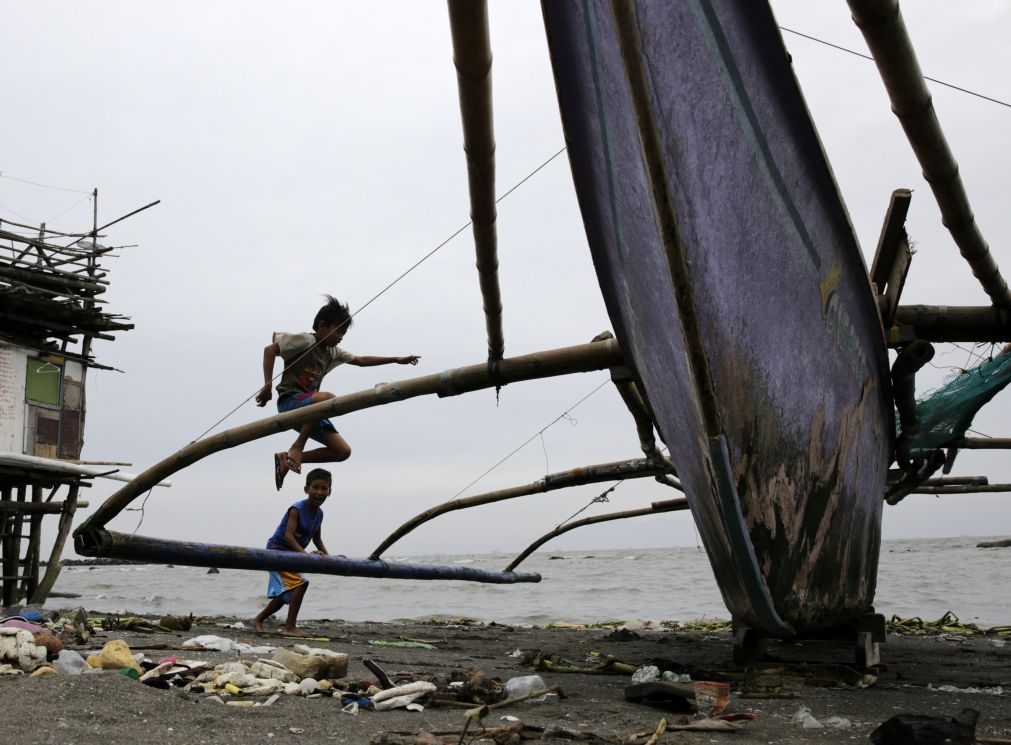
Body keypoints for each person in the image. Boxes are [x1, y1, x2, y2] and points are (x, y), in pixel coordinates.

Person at [256, 295, 420, 489]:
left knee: (342, 451)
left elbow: (361, 360)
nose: (341, 336)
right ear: (322, 326)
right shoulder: (306, 340)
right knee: (327, 399)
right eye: (338, 331)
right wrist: (267, 386)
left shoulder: (333, 352)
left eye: (344, 332)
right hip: (290, 402)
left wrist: (396, 359)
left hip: (313, 410)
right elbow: (270, 350)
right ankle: (298, 445)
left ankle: (287, 458)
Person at [252, 468, 333, 637]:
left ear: (329, 492)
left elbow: (316, 539)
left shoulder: (319, 514)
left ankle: (258, 619)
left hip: (294, 553)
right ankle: (290, 627)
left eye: (324, 488)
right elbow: (288, 536)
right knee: (301, 583)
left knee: (287, 592)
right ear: (306, 489)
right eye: (315, 487)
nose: (319, 492)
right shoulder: (296, 509)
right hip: (277, 551)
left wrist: (329, 557)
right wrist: (306, 555)